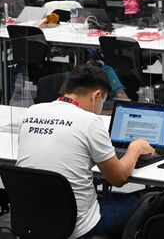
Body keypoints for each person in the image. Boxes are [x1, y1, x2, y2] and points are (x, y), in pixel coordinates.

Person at [16, 64, 155, 238]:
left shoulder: (31, 112)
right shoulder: (89, 121)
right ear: (96, 96)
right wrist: (135, 148)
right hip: (79, 228)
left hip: (31, 221)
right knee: (153, 198)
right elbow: (118, 178)